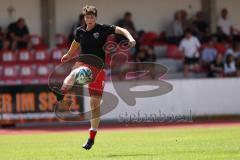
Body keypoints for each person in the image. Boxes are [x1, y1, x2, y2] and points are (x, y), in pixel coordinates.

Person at [54, 5, 136, 150]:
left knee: (94, 105)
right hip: (83, 63)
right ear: (84, 18)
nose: (89, 19)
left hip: (98, 69)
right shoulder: (79, 31)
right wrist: (68, 54)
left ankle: (91, 137)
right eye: (87, 17)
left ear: (95, 18)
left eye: (92, 17)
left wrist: (130, 38)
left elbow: (121, 30)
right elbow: (75, 43)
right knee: (74, 73)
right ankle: (61, 92)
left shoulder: (102, 29)